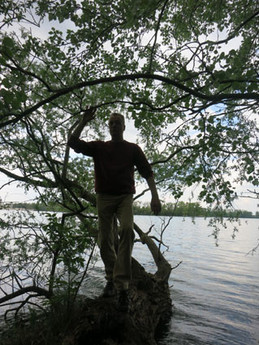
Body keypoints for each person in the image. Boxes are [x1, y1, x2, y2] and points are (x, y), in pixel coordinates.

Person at [68, 107, 161, 312]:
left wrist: (155, 196)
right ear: (108, 128)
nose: (114, 125)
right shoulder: (100, 147)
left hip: (124, 198)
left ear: (124, 127)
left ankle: (123, 288)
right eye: (111, 123)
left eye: (118, 122)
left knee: (126, 230)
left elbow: (147, 172)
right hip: (104, 198)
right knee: (104, 241)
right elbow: (73, 143)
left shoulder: (133, 149)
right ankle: (110, 279)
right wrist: (83, 120)